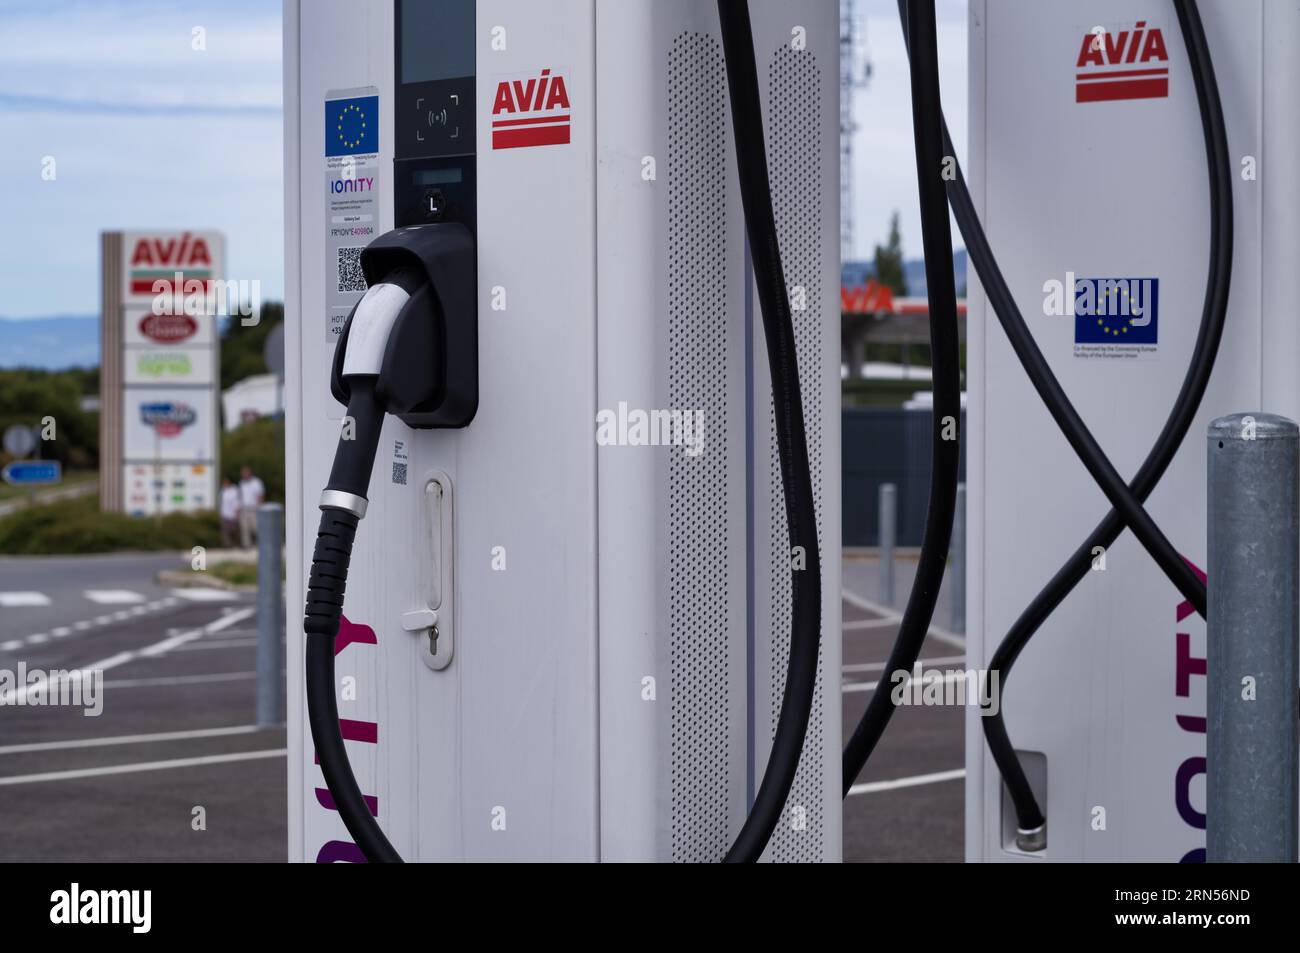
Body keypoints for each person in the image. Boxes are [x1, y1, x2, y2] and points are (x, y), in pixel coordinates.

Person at [238, 465, 266, 549]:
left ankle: (261, 543)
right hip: (244, 508)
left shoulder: (256, 482)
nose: (244, 474)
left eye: (246, 472)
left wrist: (260, 506)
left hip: (254, 508)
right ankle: (247, 545)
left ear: (250, 473)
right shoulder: (241, 483)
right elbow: (240, 496)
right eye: (243, 473)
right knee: (244, 528)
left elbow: (261, 495)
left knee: (256, 527)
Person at [219, 477, 240, 548]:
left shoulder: (235, 490)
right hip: (224, 513)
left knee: (234, 531)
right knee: (225, 531)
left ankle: (235, 543)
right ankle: (227, 545)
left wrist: (237, 512)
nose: (225, 484)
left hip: (233, 514)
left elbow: (237, 501)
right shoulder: (222, 491)